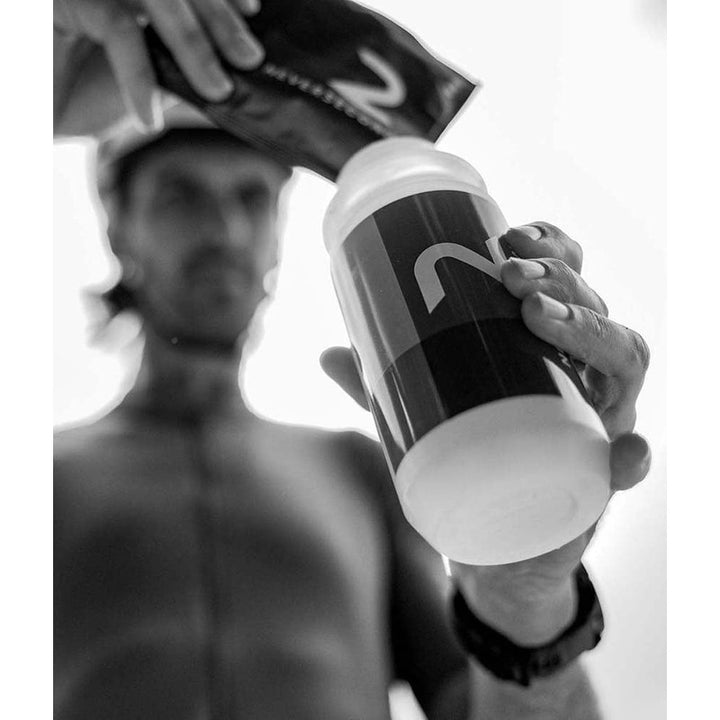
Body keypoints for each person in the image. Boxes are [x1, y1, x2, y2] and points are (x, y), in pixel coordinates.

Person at [54, 4, 652, 719]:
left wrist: (521, 603)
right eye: (182, 196)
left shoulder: (363, 474)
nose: (225, 230)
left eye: (252, 198)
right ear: (118, 228)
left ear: (279, 238)